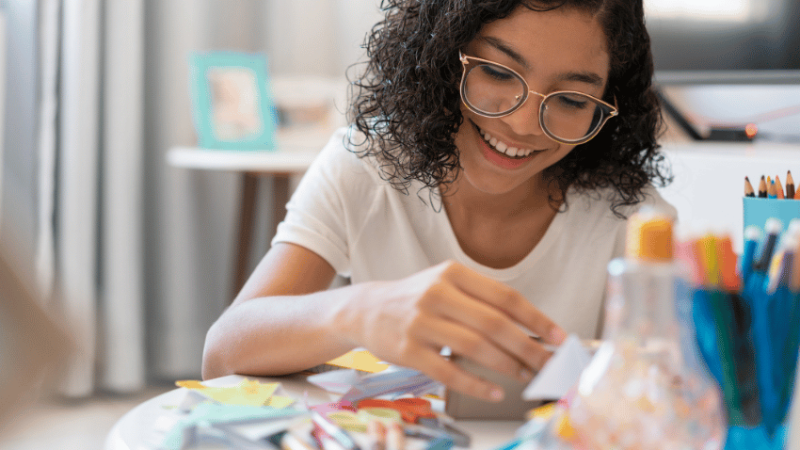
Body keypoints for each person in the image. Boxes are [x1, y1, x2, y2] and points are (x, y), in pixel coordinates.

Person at [202, 0, 675, 402]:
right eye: (497, 72)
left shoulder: (635, 220)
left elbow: (669, 398)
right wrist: (360, 310)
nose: (525, 123)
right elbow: (222, 356)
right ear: (443, 54)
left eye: (572, 100)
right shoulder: (367, 165)